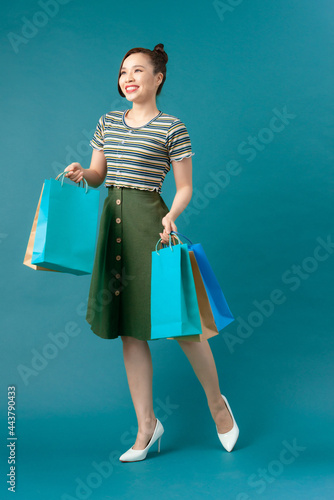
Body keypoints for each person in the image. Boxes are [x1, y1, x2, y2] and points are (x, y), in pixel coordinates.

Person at [64, 43, 239, 462]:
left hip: (153, 227)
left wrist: (171, 216)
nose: (128, 78)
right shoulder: (107, 122)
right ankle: (147, 425)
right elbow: (98, 175)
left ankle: (218, 405)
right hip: (115, 228)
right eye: (124, 71)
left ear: (158, 78)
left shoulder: (172, 128)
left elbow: (185, 188)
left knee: (182, 325)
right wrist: (80, 175)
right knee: (129, 328)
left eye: (138, 70)